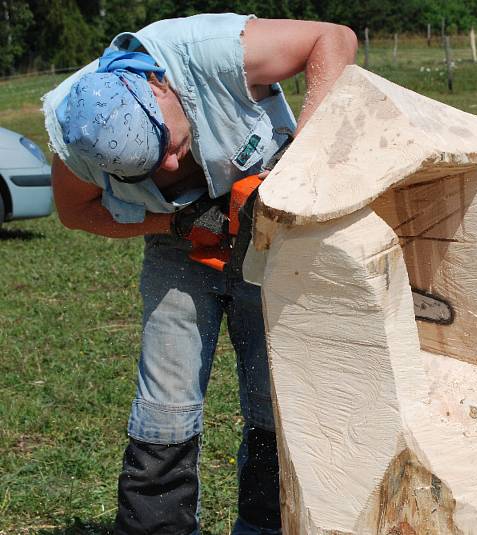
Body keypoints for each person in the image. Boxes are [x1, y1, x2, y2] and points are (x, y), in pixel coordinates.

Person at [42, 13, 357, 535]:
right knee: (164, 404)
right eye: (146, 165)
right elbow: (77, 212)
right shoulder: (78, 132)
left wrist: (301, 166)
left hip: (274, 234)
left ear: (159, 86)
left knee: (273, 396)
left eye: (166, 145)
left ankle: (267, 526)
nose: (167, 166)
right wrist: (175, 219)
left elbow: (336, 37)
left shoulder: (209, 50)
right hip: (176, 246)